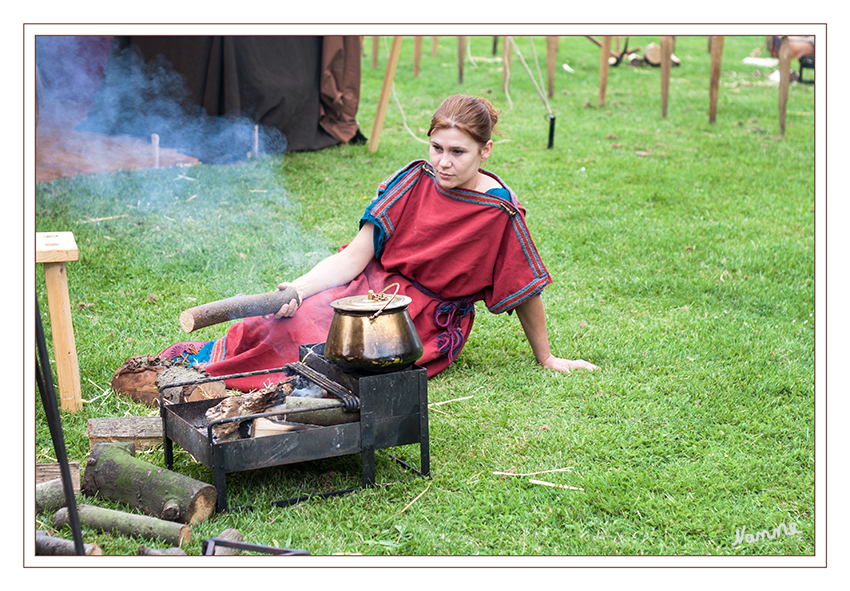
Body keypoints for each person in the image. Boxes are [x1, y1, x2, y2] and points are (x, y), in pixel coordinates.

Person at [161, 95, 598, 391]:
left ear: (485, 151)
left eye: (458, 152)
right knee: (276, 322)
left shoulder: (498, 211)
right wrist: (298, 289)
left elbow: (526, 288)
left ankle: (210, 382)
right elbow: (353, 258)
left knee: (318, 352)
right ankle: (197, 367)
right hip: (364, 291)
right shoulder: (412, 180)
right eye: (437, 147)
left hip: (419, 321)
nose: (443, 162)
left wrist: (547, 358)